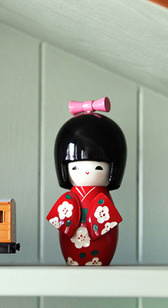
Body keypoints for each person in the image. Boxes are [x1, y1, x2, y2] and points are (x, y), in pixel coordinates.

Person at [46, 98, 127, 266]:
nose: (88, 172)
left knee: (101, 245)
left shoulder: (103, 196)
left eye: (98, 167)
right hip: (73, 239)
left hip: (102, 242)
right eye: (75, 167)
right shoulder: (72, 196)